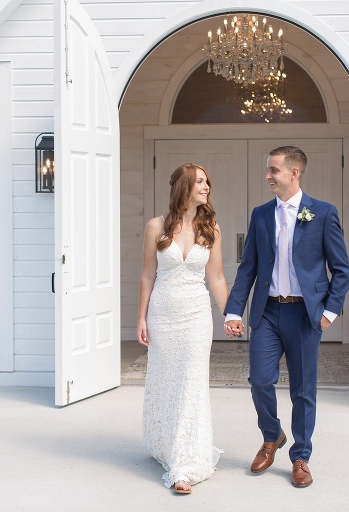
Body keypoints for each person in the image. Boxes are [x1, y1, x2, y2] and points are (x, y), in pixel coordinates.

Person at [224, 145, 349, 488]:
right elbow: (247, 267)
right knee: (260, 381)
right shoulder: (261, 214)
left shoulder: (322, 213)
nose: (268, 176)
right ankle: (272, 435)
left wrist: (329, 312)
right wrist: (234, 309)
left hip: (305, 315)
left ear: (294, 173)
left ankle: (301, 456)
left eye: (273, 170)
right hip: (267, 312)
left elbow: (341, 270)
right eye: (268, 170)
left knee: (303, 390)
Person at [137, 163, 232, 495]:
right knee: (167, 381)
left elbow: (216, 278)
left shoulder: (212, 229)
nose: (207, 187)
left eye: (208, 181)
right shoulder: (156, 226)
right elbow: (148, 275)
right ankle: (166, 442)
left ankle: (184, 465)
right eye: (200, 182)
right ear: (184, 187)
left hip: (196, 316)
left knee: (191, 383)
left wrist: (230, 314)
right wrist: (141, 318)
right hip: (163, 315)